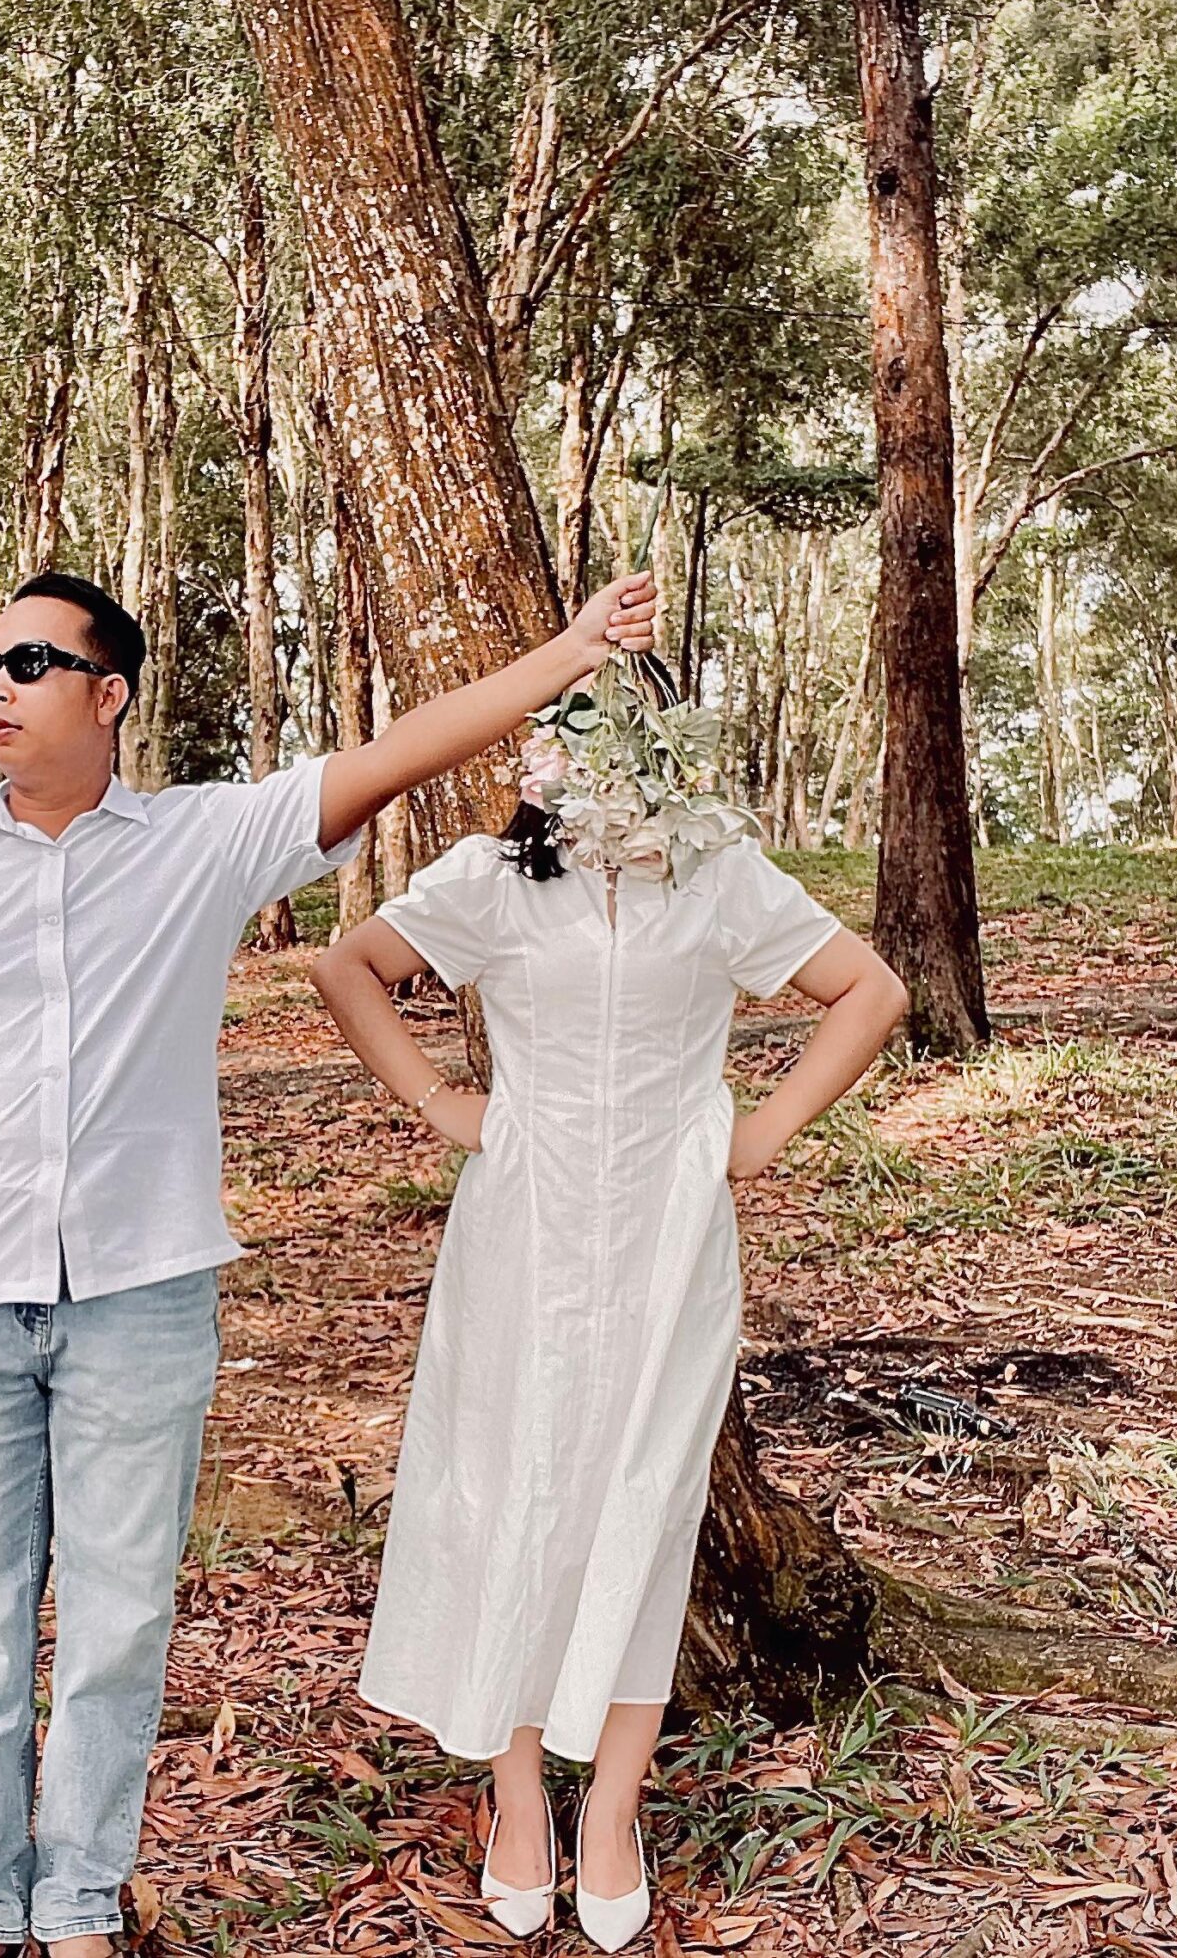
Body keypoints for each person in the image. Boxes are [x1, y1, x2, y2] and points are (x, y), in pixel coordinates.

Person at [0, 566, 660, 1958]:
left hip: (140, 1297)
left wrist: (566, 654)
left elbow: (397, 751)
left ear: (108, 694)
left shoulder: (202, 840)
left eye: (32, 662)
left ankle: (79, 1900)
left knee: (118, 1620)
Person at [310, 758, 906, 1950]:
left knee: (645, 1499)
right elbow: (347, 966)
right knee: (514, 1493)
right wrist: (440, 1101)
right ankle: (520, 1794)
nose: (600, 766)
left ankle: (615, 1809)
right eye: (571, 738)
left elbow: (870, 989)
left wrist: (760, 1133)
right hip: (520, 1232)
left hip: (668, 1240)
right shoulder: (493, 879)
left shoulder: (719, 876)